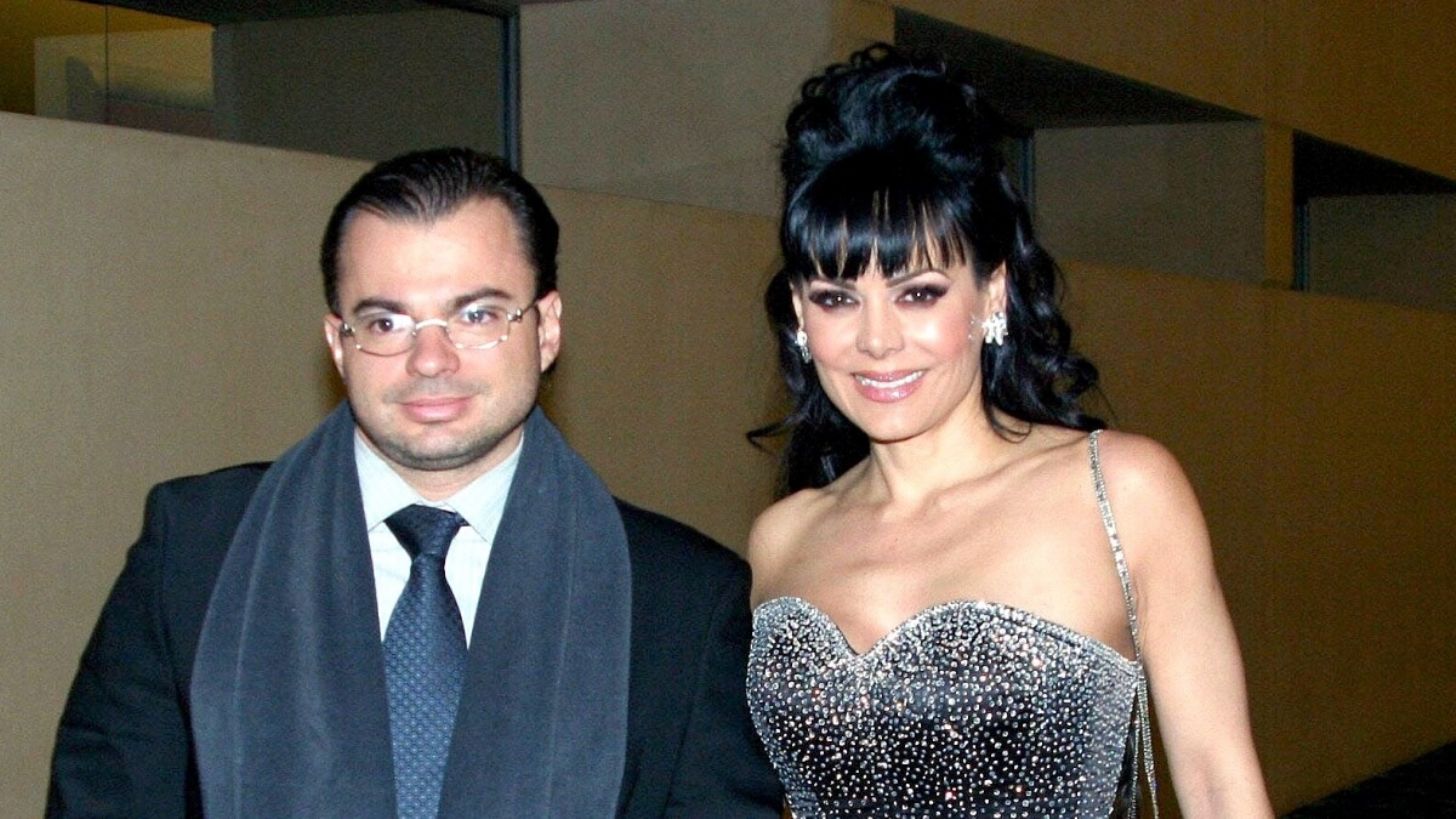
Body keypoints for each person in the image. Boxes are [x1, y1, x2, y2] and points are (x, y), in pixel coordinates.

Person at [48, 148, 781, 818]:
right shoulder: (197, 552)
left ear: (547, 328)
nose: (431, 359)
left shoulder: (681, 601)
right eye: (387, 322)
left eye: (477, 314)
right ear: (338, 344)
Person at [744, 47, 1273, 818]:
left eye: (919, 293)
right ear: (799, 311)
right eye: (836, 298)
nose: (877, 340)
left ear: (991, 293)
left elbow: (1222, 787)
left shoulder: (1118, 491)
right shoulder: (781, 538)